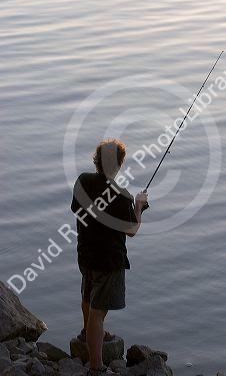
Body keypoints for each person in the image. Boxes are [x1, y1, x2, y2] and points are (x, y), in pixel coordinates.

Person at [71, 139, 148, 376]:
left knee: (88, 294)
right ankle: (96, 366)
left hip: (85, 255)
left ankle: (88, 333)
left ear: (96, 161)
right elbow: (131, 230)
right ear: (119, 164)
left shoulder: (82, 181)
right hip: (108, 261)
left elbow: (78, 209)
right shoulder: (122, 197)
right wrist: (138, 206)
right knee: (99, 311)